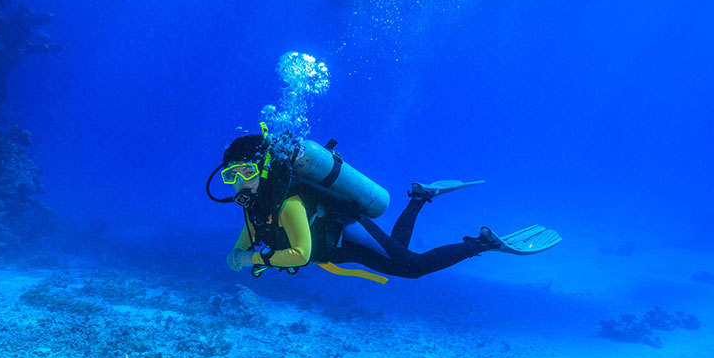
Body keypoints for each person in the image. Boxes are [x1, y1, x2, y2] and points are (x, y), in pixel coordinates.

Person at [210, 128, 561, 282]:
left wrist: (248, 257)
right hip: (338, 248)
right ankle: (420, 197)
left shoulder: (288, 203)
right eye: (231, 176)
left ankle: (481, 244)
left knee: (412, 267)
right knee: (401, 252)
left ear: (265, 168)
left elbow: (300, 253)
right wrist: (238, 248)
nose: (240, 182)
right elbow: (255, 225)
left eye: (246, 172)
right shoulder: (260, 199)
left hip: (344, 231)